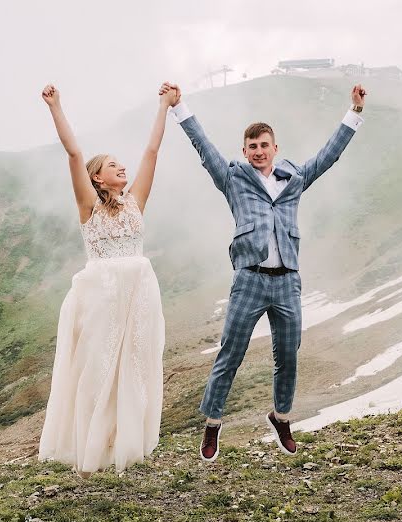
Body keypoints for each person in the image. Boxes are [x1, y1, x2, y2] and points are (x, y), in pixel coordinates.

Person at [163, 81, 367, 461]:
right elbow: (204, 148)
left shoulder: (294, 179)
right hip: (249, 278)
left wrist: (353, 113)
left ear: (275, 149)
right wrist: (179, 107)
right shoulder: (233, 178)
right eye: (252, 147)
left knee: (288, 352)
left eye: (264, 145)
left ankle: (281, 417)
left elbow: (328, 156)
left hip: (287, 280)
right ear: (244, 151)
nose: (258, 152)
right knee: (231, 352)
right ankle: (212, 424)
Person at [37, 83, 175, 474]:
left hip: (139, 294)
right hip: (102, 295)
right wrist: (56, 107)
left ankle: (123, 446)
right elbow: (74, 152)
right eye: (112, 165)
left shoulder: (136, 201)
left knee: (135, 365)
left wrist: (163, 105)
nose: (122, 167)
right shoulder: (88, 207)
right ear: (97, 178)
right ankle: (91, 448)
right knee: (97, 367)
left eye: (120, 164)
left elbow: (151, 151)